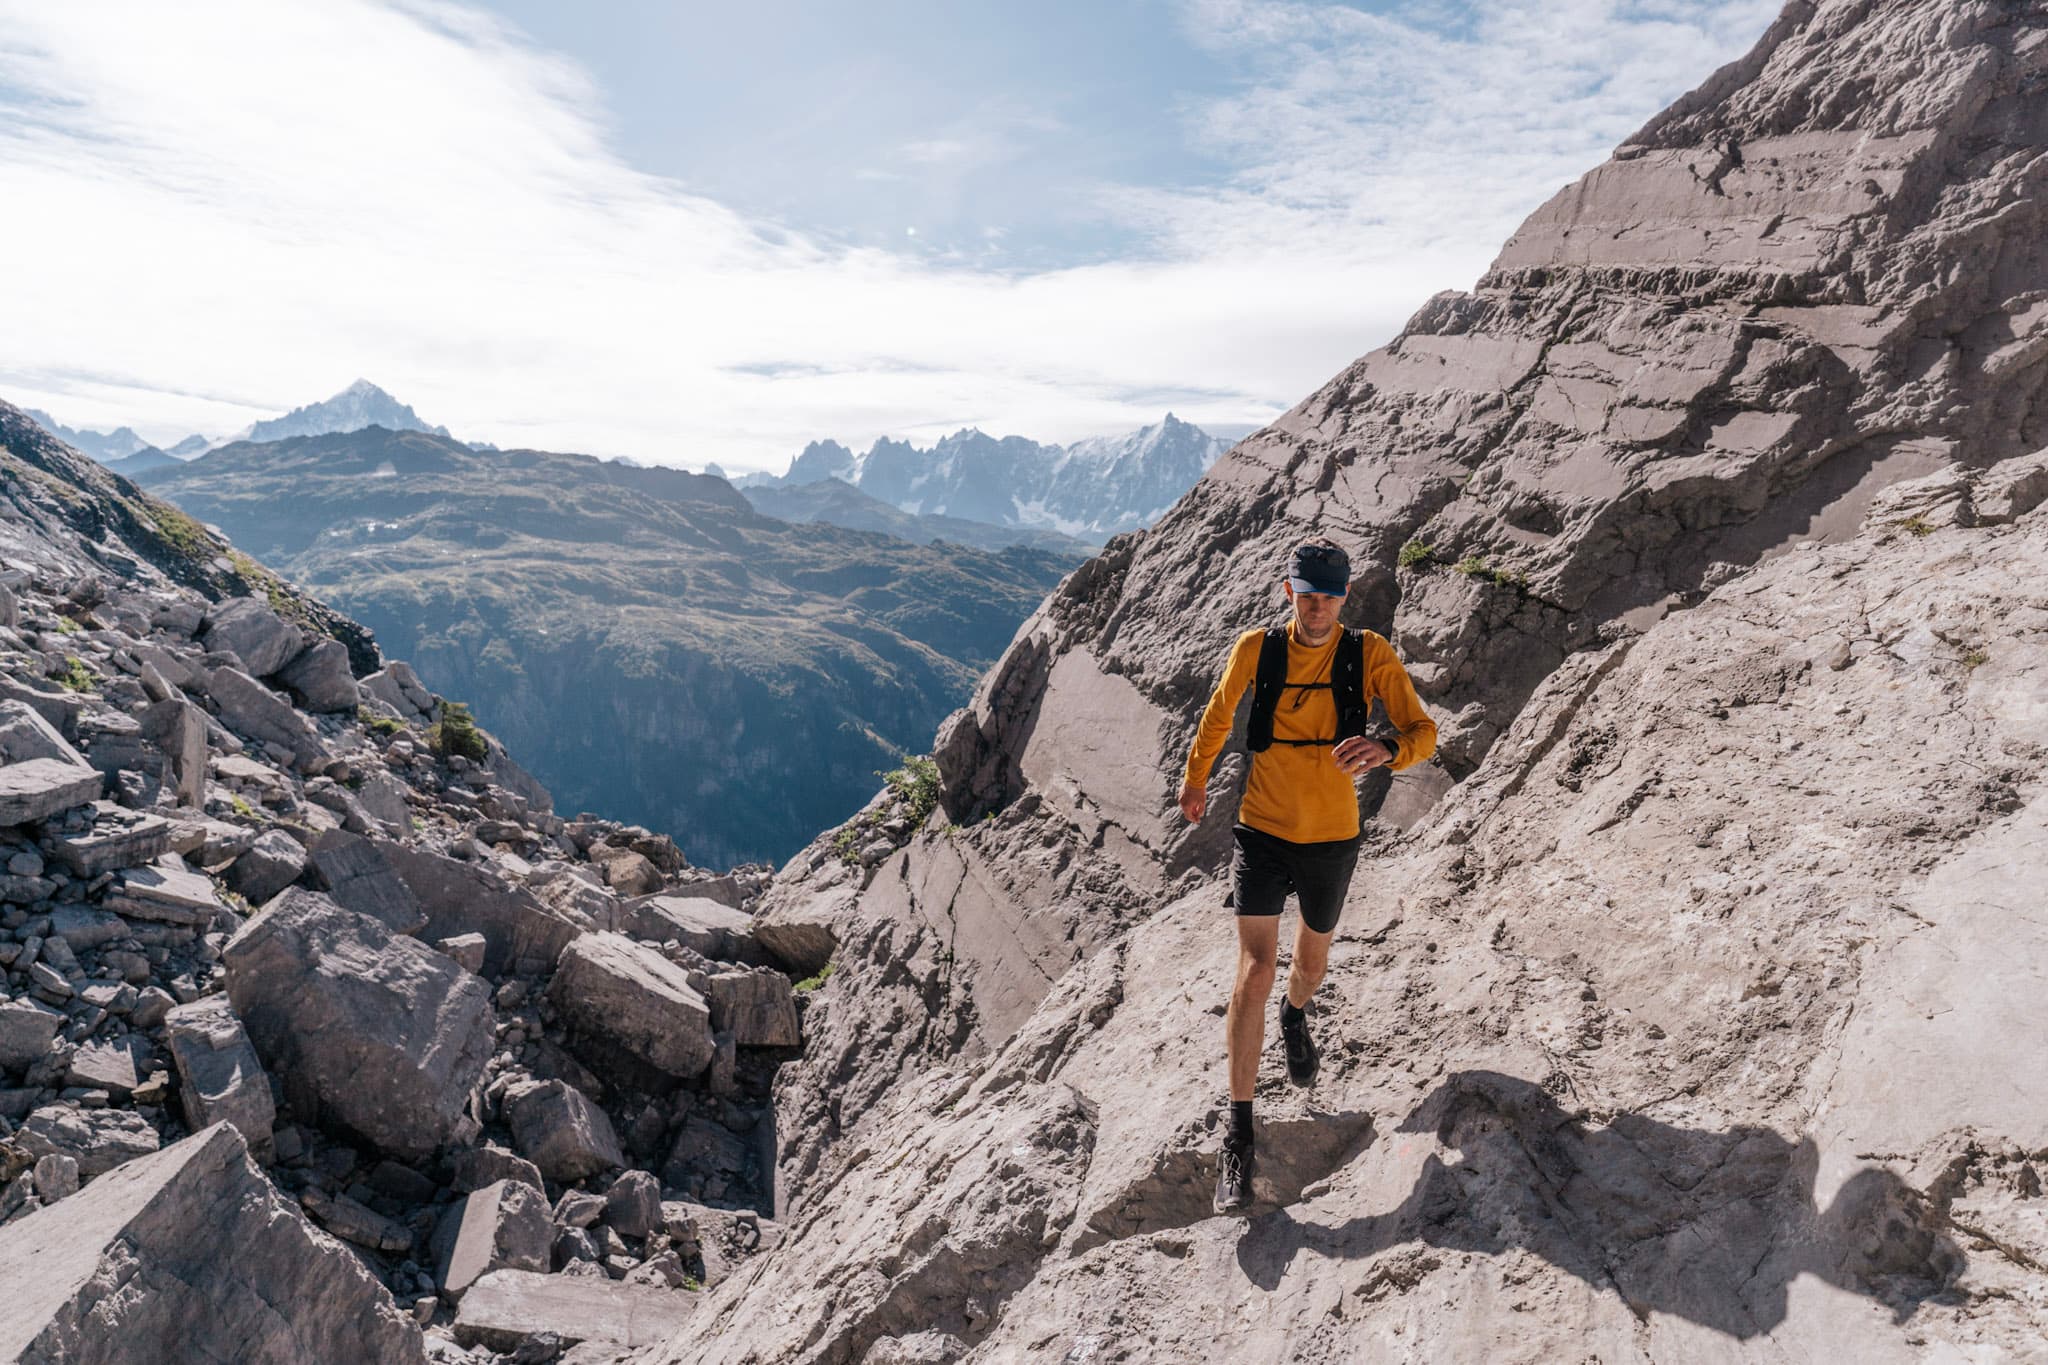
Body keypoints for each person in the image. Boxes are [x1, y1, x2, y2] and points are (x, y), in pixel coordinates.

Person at [1178, 536, 1437, 1214]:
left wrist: (1385, 748)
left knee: (1309, 966)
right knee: (1255, 968)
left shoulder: (1369, 655)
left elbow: (1423, 731)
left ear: (1344, 596)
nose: (1317, 608)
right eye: (1306, 594)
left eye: (1328, 596)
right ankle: (1238, 1137)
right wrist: (1196, 777)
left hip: (1331, 839)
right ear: (1287, 591)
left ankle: (1295, 1015)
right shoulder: (1256, 649)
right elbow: (1219, 713)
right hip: (1261, 830)